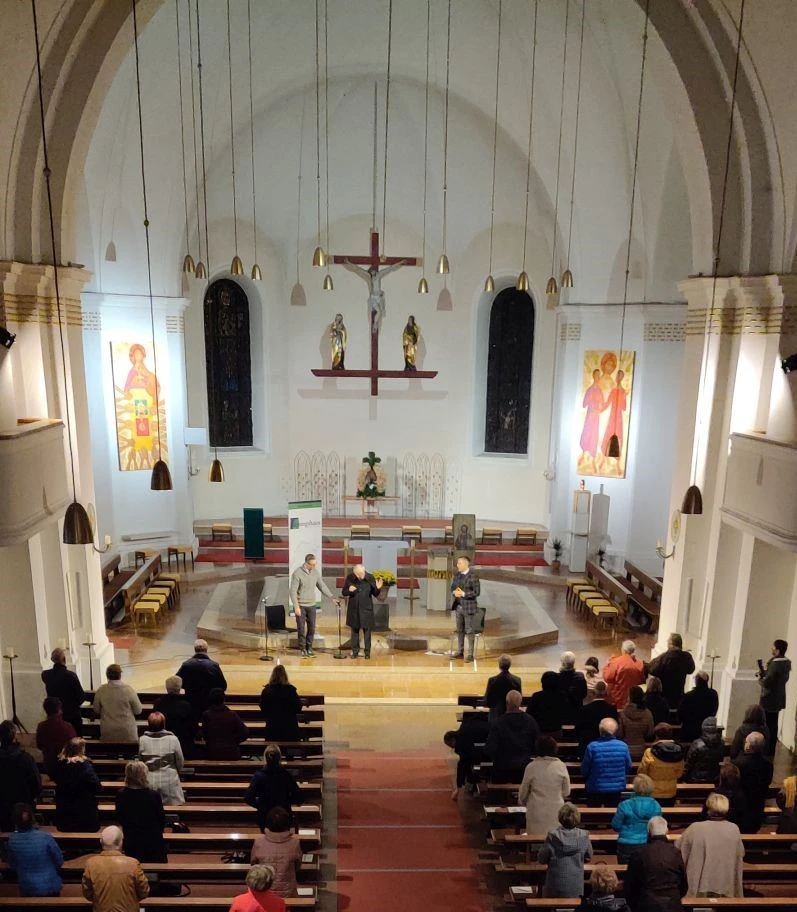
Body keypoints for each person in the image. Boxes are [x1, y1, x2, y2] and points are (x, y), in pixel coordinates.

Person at [678, 792, 744, 897]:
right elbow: (740, 853)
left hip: (700, 882)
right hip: (724, 878)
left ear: (708, 809)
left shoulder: (695, 827)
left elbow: (679, 848)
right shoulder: (734, 829)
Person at [624, 816, 688, 912]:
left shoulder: (639, 853)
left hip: (646, 904)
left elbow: (630, 886)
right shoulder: (675, 853)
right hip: (672, 904)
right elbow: (683, 884)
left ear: (648, 832)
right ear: (666, 831)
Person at [81, 826, 149, 912]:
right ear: (121, 842)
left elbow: (87, 894)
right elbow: (144, 892)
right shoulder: (133, 864)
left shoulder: (91, 863)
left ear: (101, 841)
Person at [114, 760, 167, 863]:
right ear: (144, 775)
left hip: (131, 837)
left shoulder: (121, 795)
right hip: (153, 838)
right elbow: (161, 819)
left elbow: (120, 817)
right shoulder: (153, 795)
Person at [537, 803, 593, 898]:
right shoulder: (584, 836)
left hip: (554, 887)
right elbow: (588, 857)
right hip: (575, 887)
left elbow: (542, 859)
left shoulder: (552, 836)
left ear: (561, 818)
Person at [7, 802, 63, 897]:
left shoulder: (12, 841)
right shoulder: (45, 837)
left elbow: (13, 865)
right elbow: (59, 860)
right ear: (32, 818)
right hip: (50, 886)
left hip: (27, 888)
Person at [518, 735, 571, 835]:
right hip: (556, 811)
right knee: (554, 839)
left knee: (535, 839)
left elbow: (523, 794)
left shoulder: (531, 767)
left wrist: (523, 802)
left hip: (536, 811)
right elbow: (566, 792)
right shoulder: (561, 766)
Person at [290, 553, 339, 658]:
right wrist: (296, 606)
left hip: (311, 605)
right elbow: (293, 591)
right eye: (312, 564)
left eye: (315, 564)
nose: (313, 566)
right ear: (306, 563)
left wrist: (332, 597)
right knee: (301, 628)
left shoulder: (315, 572)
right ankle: (302, 649)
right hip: (301, 605)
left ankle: (309, 647)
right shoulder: (297, 573)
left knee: (312, 628)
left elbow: (322, 586)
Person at [486, 690, 540, 784]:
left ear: (506, 703)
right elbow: (536, 744)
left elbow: (491, 748)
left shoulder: (499, 722)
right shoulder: (530, 721)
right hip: (524, 767)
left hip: (502, 768)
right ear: (520, 703)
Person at [245, 744, 302, 832]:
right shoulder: (286, 775)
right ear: (279, 758)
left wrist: (260, 804)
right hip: (284, 816)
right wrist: (287, 801)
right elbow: (299, 798)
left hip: (265, 817)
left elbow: (248, 798)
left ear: (265, 758)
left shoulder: (259, 776)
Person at [251, 806, 303, 898]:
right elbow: (297, 865)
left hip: (265, 890)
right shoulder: (294, 843)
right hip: (288, 892)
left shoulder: (259, 842)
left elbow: (253, 864)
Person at [52, 737, 101, 832]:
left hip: (64, 819)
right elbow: (97, 787)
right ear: (80, 751)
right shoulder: (84, 766)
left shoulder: (59, 765)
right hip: (86, 818)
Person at [0, 721, 41, 831]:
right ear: (14, 736)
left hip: (2, 808)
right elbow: (36, 784)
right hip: (24, 806)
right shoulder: (26, 759)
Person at [581, 717, 632, 807]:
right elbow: (628, 767)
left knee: (593, 812)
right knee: (612, 813)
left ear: (600, 731)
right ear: (615, 731)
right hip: (616, 788)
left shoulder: (592, 747)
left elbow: (584, 770)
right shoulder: (623, 746)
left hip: (595, 787)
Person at [611, 774, 661, 864]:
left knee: (625, 871)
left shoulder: (624, 805)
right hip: (646, 843)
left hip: (626, 844)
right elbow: (657, 828)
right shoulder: (656, 806)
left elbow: (616, 826)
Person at [138, 711, 185, 806]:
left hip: (150, 782)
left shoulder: (143, 740)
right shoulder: (173, 739)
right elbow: (180, 761)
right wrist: (176, 772)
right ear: (164, 724)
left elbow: (140, 761)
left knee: (152, 808)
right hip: (170, 782)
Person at [732, 731, 773, 833]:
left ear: (749, 746)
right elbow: (767, 782)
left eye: (746, 742)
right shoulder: (768, 765)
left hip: (740, 806)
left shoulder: (738, 764)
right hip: (757, 806)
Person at [175, 639, 227, 718]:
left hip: (191, 706)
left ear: (195, 649)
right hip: (209, 706)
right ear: (206, 650)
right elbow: (223, 686)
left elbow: (176, 683)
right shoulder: (214, 665)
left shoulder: (186, 665)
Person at [445, 710, 490, 799]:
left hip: (492, 744)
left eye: (450, 745)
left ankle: (474, 781)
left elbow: (462, 764)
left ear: (453, 740)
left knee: (470, 763)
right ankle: (472, 781)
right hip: (490, 732)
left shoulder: (461, 742)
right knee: (470, 760)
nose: (452, 748)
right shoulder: (464, 725)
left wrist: (458, 787)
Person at [92, 664, 142, 742]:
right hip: (127, 732)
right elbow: (138, 710)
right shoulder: (129, 690)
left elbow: (96, 710)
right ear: (120, 675)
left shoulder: (101, 691)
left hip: (108, 732)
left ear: (107, 676)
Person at [758, 638, 791, 755]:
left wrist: (761, 679)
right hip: (778, 697)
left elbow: (768, 682)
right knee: (773, 723)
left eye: (773, 647)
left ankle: (767, 748)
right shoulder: (786, 663)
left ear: (777, 650)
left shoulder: (776, 664)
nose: (771, 649)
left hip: (769, 698)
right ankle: (771, 748)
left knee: (767, 724)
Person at [41, 647, 86, 734]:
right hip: (72, 716)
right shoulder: (71, 676)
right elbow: (81, 697)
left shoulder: (45, 674)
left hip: (54, 715)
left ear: (52, 660)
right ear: (64, 659)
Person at [341, 563, 381, 659]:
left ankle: (367, 653)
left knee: (367, 632)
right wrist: (349, 590)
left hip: (366, 609)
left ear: (363, 571)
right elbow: (344, 592)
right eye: (357, 574)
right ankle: (355, 652)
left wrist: (378, 588)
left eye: (360, 574)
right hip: (354, 609)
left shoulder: (370, 577)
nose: (359, 576)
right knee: (354, 631)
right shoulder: (350, 578)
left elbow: (375, 594)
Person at [638, 723, 685, 804]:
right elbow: (679, 773)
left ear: (656, 736)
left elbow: (642, 772)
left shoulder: (650, 752)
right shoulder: (679, 752)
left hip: (653, 791)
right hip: (671, 792)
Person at [153, 675, 197, 757]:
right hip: (182, 744)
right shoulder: (186, 705)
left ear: (167, 688)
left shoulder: (158, 703)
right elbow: (193, 727)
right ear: (180, 688)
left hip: (162, 743)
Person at [647, 634, 695, 708]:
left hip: (664, 697)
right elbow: (691, 670)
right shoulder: (686, 657)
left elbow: (652, 669)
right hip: (679, 695)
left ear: (671, 643)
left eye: (668, 641)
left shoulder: (664, 657)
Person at [201, 688, 249, 760]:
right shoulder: (232, 715)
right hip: (232, 753)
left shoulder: (206, 715)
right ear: (224, 699)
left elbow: (204, 734)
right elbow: (245, 733)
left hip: (212, 753)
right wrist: (235, 741)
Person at [450, 555, 481, 661]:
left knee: (469, 631)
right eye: (457, 563)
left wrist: (463, 594)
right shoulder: (457, 576)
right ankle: (460, 652)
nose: (457, 565)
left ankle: (470, 655)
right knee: (460, 630)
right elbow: (452, 587)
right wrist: (454, 592)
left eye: (459, 563)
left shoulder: (473, 576)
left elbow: (477, 592)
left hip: (469, 608)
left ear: (465, 564)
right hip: (458, 607)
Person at [575, 681, 618, 757]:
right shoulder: (611, 709)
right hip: (608, 748)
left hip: (587, 747)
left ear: (593, 693)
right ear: (606, 693)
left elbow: (578, 729)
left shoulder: (584, 709)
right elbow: (616, 730)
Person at [260, 665, 303, 741]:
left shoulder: (267, 691)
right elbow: (298, 708)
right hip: (290, 730)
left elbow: (263, 709)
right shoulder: (291, 690)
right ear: (285, 676)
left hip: (272, 730)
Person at [36, 697, 77, 776]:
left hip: (50, 765)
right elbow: (75, 747)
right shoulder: (68, 726)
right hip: (66, 766)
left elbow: (39, 745)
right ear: (59, 710)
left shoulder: (41, 726)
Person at [526, 671, 570, 739]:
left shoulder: (536, 696)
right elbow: (566, 713)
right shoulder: (562, 696)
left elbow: (529, 714)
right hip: (557, 731)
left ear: (542, 682)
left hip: (540, 732)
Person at [677, 672, 719, 742]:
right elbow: (714, 712)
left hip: (689, 732)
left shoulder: (688, 696)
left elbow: (680, 714)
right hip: (706, 731)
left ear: (696, 681)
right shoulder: (713, 694)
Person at [603, 641, 646, 709]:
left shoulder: (616, 662)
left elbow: (607, 677)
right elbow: (642, 681)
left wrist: (607, 665)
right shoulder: (640, 664)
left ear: (623, 650)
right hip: (632, 701)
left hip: (617, 700)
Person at [617, 686, 655, 761]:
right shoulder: (647, 714)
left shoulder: (623, 714)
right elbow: (650, 733)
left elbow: (620, 734)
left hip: (625, 750)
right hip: (642, 750)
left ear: (629, 698)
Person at [683, 717, 724, 783]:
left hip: (696, 779)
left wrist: (682, 776)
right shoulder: (721, 743)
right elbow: (720, 759)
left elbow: (688, 764)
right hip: (713, 779)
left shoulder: (696, 744)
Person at [710, 760, 748, 830]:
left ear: (721, 778)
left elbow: (704, 816)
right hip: (737, 829)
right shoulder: (742, 795)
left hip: (715, 828)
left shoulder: (715, 795)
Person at [484, 655, 522, 721]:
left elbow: (487, 701)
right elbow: (519, 700)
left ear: (499, 665)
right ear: (510, 665)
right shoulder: (517, 680)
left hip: (496, 716)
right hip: (512, 716)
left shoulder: (492, 680)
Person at [557, 652, 588, 723]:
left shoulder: (556, 677)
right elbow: (584, 694)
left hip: (561, 715)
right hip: (577, 713)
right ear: (573, 663)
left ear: (562, 663)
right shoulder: (580, 676)